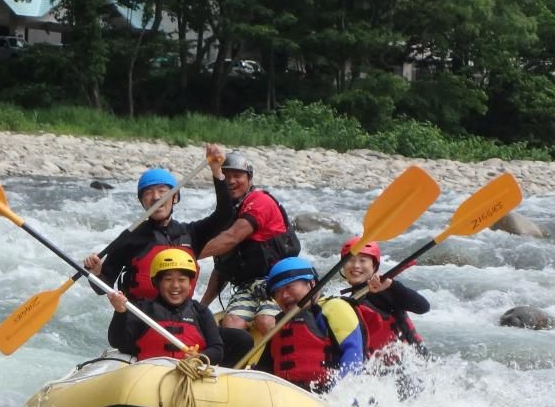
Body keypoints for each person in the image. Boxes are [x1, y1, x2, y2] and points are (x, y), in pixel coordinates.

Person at [83, 144, 233, 302]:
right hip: (138, 320)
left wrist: (217, 172)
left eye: (162, 191)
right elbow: (102, 288)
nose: (156, 197)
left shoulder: (191, 234)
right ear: (143, 202)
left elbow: (225, 215)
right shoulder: (129, 238)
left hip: (179, 319)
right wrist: (96, 273)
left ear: (175, 198)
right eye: (148, 192)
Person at [198, 150, 300, 336]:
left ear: (249, 178)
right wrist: (202, 306)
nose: (230, 181)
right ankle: (235, 363)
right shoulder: (227, 213)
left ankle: (283, 358)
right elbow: (222, 267)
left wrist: (189, 252)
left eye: (237, 175)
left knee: (265, 320)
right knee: (230, 323)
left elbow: (232, 238)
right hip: (248, 286)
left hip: (278, 281)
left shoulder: (260, 201)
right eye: (226, 176)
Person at [254, 257, 364, 393]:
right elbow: (265, 369)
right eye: (277, 291)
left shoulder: (335, 308)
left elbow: (353, 356)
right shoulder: (282, 323)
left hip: (329, 396)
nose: (284, 296)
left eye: (289, 287)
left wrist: (340, 397)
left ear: (311, 283)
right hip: (288, 397)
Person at [107, 249, 224, 365]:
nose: (175, 285)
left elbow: (217, 350)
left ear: (190, 284)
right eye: (168, 279)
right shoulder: (143, 310)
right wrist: (120, 313)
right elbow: (118, 342)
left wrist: (199, 357)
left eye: (182, 280)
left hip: (190, 374)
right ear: (157, 283)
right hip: (150, 373)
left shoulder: (201, 312)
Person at [339, 237, 430, 360]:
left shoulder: (385, 291)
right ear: (343, 266)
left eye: (362, 260)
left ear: (374, 266)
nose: (356, 265)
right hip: (382, 372)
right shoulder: (349, 302)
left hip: (413, 365)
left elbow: (423, 307)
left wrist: (392, 286)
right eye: (350, 260)